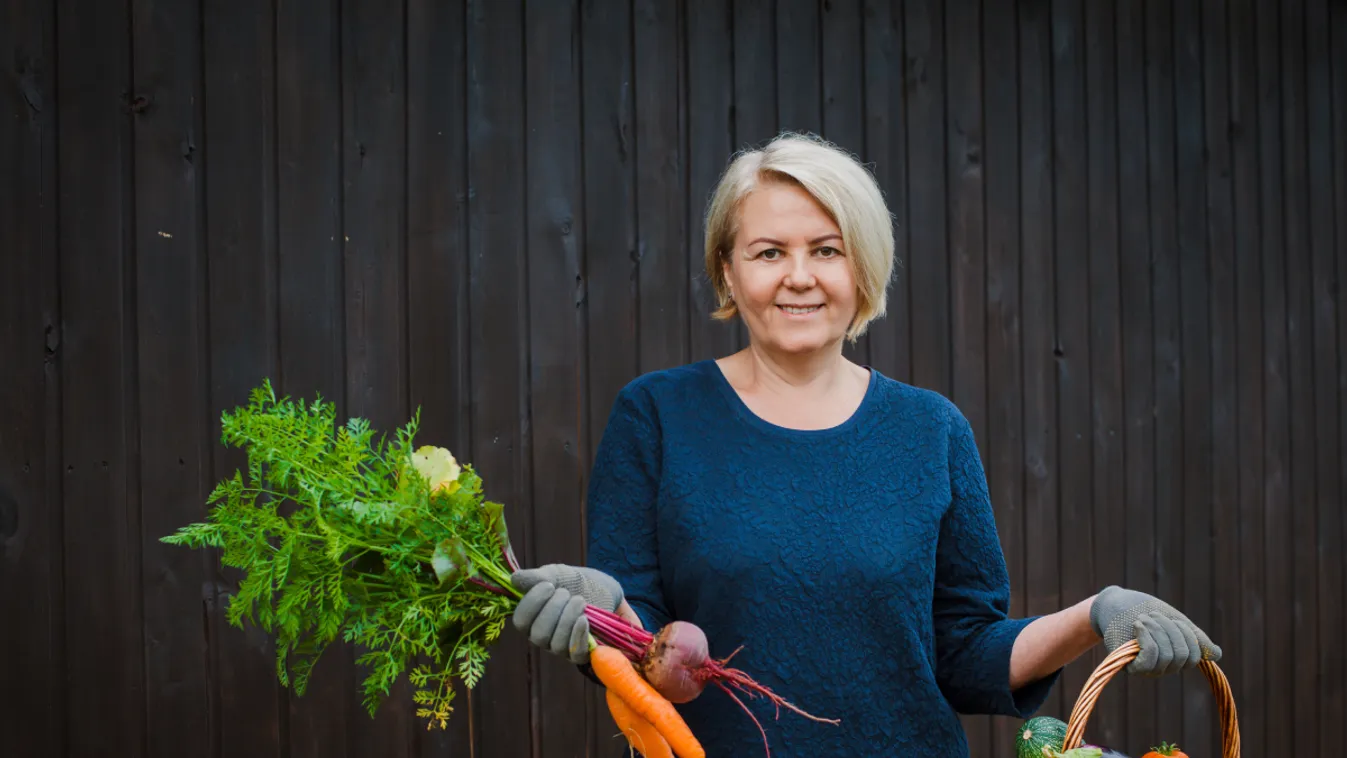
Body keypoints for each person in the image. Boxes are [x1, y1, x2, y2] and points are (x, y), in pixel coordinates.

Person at [509, 132, 1221, 755]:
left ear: (863, 270)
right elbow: (647, 650)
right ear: (727, 269)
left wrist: (1095, 612)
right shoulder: (657, 416)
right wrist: (605, 612)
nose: (798, 276)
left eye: (827, 250)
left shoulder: (930, 431)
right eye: (767, 252)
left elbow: (962, 652)